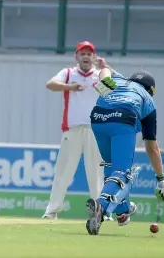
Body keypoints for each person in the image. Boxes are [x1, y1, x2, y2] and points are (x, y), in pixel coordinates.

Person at [85, 69, 164, 235]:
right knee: (122, 172)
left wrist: (104, 80)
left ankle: (122, 211)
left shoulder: (118, 79)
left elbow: (104, 70)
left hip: (98, 118)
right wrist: (161, 179)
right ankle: (101, 205)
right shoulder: (148, 99)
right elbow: (151, 147)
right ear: (151, 90)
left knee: (112, 167)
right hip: (123, 120)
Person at [43, 41, 113, 220]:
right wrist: (70, 87)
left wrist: (106, 67)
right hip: (72, 129)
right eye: (82, 54)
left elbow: (116, 86)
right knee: (63, 171)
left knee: (96, 174)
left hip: (95, 129)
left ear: (94, 57)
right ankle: (52, 211)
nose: (86, 57)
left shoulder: (99, 75)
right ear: (77, 57)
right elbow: (50, 84)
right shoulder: (68, 73)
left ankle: (102, 212)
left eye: (89, 54)